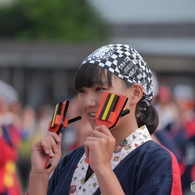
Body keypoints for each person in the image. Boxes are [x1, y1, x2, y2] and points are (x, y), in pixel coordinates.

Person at [28, 44, 182, 195]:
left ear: (135, 93)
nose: (88, 102)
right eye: (82, 91)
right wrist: (40, 175)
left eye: (99, 89)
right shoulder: (71, 159)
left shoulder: (157, 161)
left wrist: (103, 169)